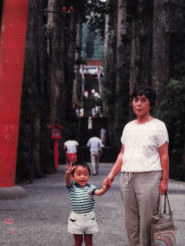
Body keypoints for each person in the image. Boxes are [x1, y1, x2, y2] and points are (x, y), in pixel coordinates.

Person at [104, 85, 169, 246]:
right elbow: (122, 154)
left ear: (151, 104)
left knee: (147, 222)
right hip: (127, 178)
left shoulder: (158, 126)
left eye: (143, 100)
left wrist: (164, 181)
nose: (139, 104)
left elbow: (164, 155)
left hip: (149, 176)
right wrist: (111, 175)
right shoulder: (129, 127)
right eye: (136, 100)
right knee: (131, 222)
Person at [65, 161, 109, 246]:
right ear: (72, 176)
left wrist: (105, 187)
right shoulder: (72, 187)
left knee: (89, 242)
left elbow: (98, 192)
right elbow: (67, 181)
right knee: (78, 242)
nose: (82, 177)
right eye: (79, 174)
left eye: (86, 174)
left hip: (89, 217)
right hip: (76, 218)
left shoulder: (90, 187)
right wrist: (67, 173)